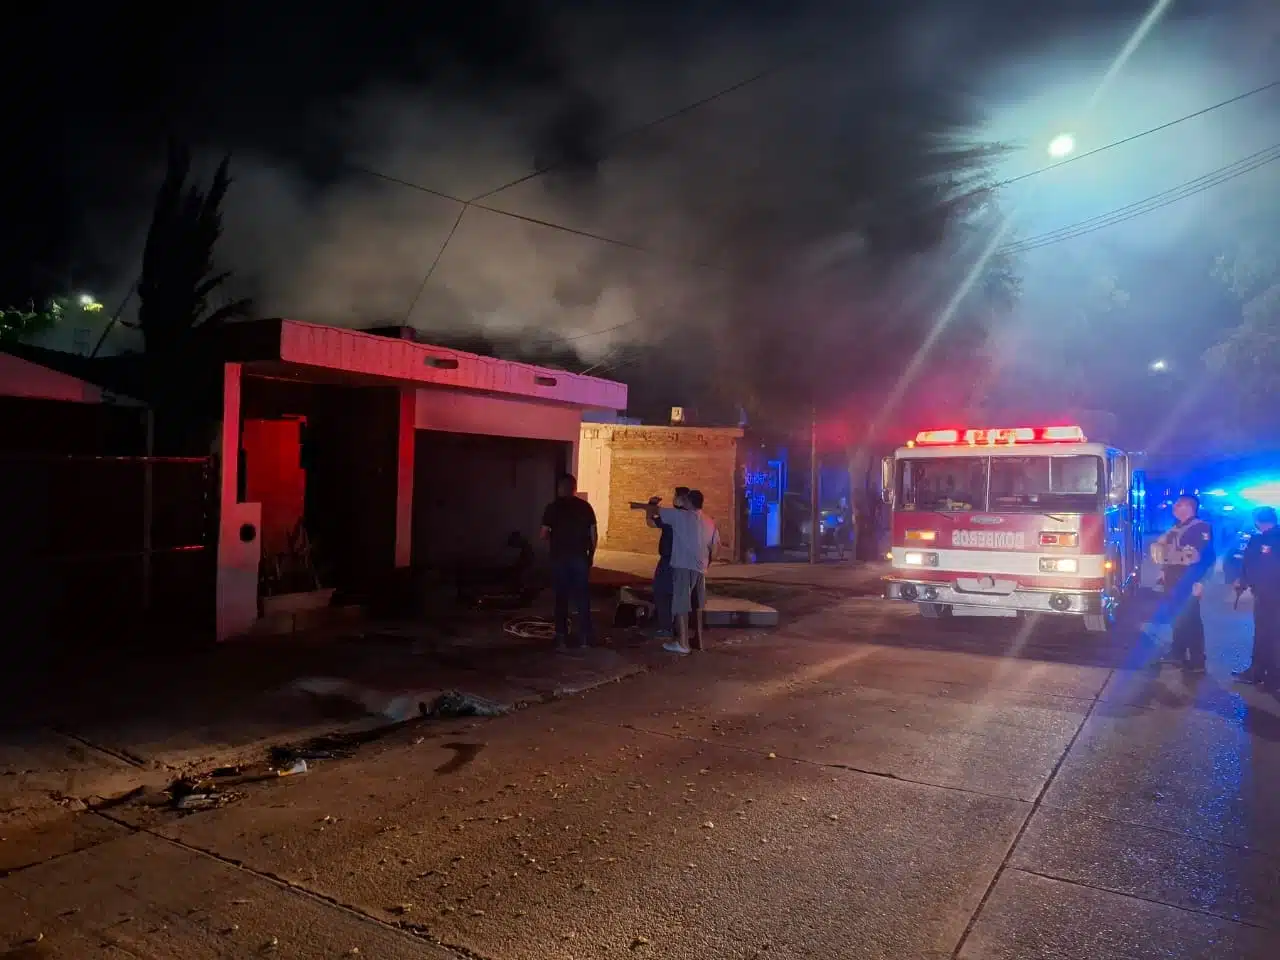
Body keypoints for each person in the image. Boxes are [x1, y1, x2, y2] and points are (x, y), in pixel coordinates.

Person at [643, 489, 720, 655]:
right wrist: (707, 563)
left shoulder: (680, 516)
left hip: (682, 566)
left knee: (680, 605)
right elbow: (715, 548)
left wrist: (651, 504)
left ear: (688, 502)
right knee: (697, 605)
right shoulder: (709, 521)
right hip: (700, 568)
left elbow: (653, 515)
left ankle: (683, 643)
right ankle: (699, 641)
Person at [1149, 494, 1215, 673]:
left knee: (1191, 620)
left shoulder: (1200, 527)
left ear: (1189, 507)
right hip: (1173, 578)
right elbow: (1167, 552)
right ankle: (1177, 653)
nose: (1175, 508)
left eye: (1178, 505)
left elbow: (1207, 557)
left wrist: (1200, 581)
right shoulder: (1176, 527)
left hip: (1188, 579)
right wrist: (1163, 572)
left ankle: (1197, 661)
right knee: (1177, 618)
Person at [540, 474, 597, 649]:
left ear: (559, 488)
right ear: (574, 488)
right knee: (582, 598)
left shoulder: (552, 508)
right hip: (580, 557)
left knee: (561, 598)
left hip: (559, 558)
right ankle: (585, 638)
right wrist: (591, 556)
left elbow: (543, 534)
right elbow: (594, 535)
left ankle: (561, 637)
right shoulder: (585, 507)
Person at [1234, 506, 1280, 691]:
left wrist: (1244, 581)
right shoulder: (1261, 537)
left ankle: (1268, 675)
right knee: (1267, 634)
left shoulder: (1266, 539)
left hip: (1271, 595)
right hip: (1266, 594)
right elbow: (1250, 564)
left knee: (1269, 635)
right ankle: (1262, 673)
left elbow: (1253, 565)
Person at [646, 487, 690, 640]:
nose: (674, 498)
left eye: (675, 496)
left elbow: (651, 522)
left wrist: (650, 505)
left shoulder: (673, 516)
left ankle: (666, 628)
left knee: (661, 592)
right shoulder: (691, 517)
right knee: (677, 595)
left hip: (669, 561)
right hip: (684, 561)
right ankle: (679, 628)